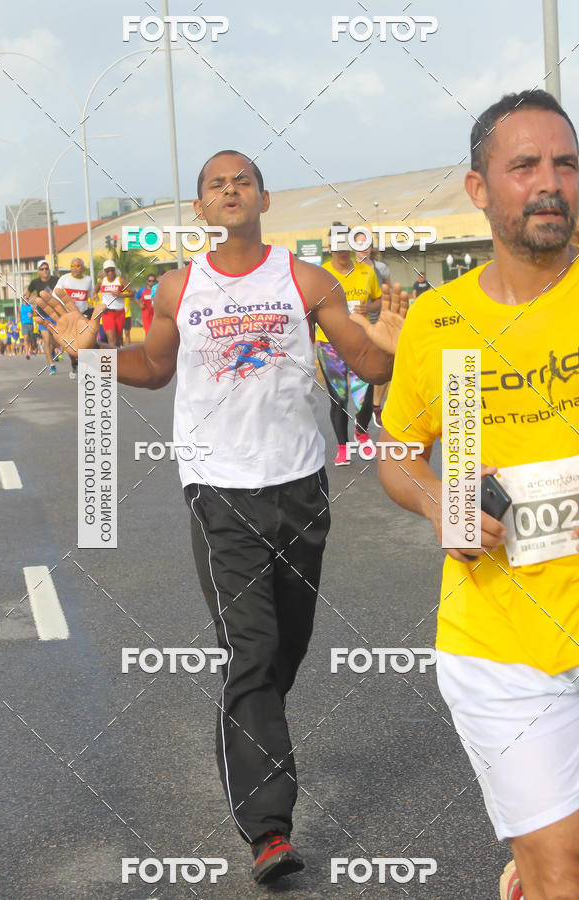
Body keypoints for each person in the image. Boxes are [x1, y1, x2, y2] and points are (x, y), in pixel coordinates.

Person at [37, 149, 406, 886]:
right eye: (216, 184)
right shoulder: (179, 287)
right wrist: (93, 353)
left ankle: (248, 732)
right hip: (218, 490)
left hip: (300, 487)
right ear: (200, 208)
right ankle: (269, 831)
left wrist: (395, 349)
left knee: (284, 649)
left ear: (264, 198)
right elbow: (155, 368)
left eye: (242, 181)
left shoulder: (307, 280)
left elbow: (368, 364)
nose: (230, 190)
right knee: (252, 649)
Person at [356, 90, 579, 900]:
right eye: (525, 166)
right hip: (498, 641)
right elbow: (398, 454)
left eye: (565, 164)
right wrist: (441, 504)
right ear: (480, 189)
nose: (549, 182)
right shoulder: (441, 321)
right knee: (563, 868)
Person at [316, 223, 395, 465]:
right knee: (338, 398)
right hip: (330, 345)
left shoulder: (366, 272)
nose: (342, 250)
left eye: (346, 244)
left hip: (362, 342)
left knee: (364, 395)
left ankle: (362, 432)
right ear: (330, 247)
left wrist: (366, 307)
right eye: (337, 244)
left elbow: (379, 301)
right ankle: (342, 447)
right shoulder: (321, 274)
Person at [353, 234, 392, 427]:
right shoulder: (349, 269)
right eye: (359, 243)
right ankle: (363, 411)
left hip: (379, 321)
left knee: (384, 367)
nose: (363, 247)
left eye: (366, 243)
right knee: (364, 371)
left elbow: (388, 295)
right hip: (357, 325)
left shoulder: (381, 268)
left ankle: (376, 406)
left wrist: (372, 308)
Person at [47, 258, 94, 379]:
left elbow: (92, 295)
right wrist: (65, 302)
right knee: (71, 345)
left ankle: (85, 369)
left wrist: (94, 301)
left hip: (83, 315)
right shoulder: (65, 278)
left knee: (84, 343)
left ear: (83, 268)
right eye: (72, 266)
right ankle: (74, 365)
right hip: (69, 316)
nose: (75, 268)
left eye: (78, 266)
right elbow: (54, 294)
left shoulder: (88, 280)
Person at [25, 260, 59, 373]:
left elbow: (60, 293)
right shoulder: (35, 282)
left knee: (56, 341)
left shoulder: (56, 280)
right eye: (42, 269)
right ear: (38, 271)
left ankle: (53, 349)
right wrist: (29, 299)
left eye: (46, 268)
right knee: (46, 339)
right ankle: (52, 365)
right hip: (42, 315)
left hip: (55, 314)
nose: (45, 271)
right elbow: (26, 295)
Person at [93, 260, 133, 348]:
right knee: (111, 339)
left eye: (112, 270)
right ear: (104, 271)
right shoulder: (102, 282)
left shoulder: (120, 280)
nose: (110, 272)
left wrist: (121, 295)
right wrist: (95, 295)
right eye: (107, 270)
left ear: (115, 270)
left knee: (118, 339)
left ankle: (119, 354)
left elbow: (132, 293)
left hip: (119, 313)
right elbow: (95, 290)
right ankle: (113, 357)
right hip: (107, 313)